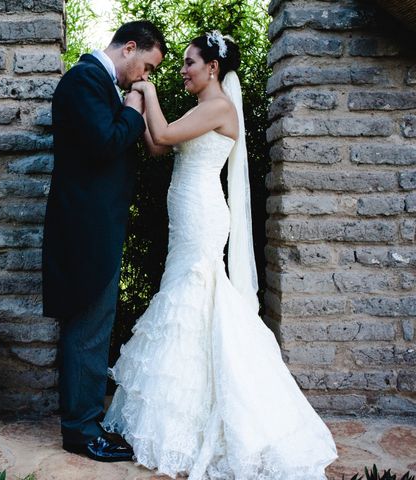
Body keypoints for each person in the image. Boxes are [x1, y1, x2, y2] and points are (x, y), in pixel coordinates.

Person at [102, 31, 338, 478]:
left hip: (202, 213)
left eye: (190, 62)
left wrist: (146, 90)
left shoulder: (219, 108)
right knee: (186, 294)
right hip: (186, 211)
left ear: (213, 68)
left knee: (196, 294)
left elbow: (166, 132)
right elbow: (158, 144)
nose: (183, 70)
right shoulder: (201, 108)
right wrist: (136, 106)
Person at [42, 21, 167, 462]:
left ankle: (87, 421)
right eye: (147, 65)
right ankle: (80, 431)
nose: (145, 76)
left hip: (96, 228)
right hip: (84, 232)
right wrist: (133, 106)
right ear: (130, 48)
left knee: (92, 327)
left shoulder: (98, 82)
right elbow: (105, 142)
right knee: (87, 330)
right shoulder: (83, 80)